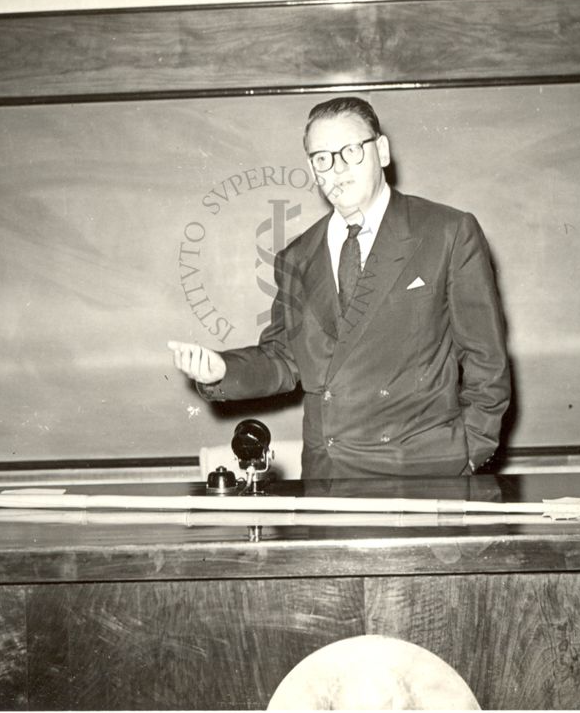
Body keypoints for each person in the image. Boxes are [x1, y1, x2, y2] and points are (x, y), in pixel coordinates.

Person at [169, 96, 510, 479]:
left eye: (350, 151)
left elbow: (487, 361)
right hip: (328, 475)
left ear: (381, 150)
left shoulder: (446, 232)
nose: (337, 170)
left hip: (423, 471)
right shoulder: (297, 256)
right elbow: (284, 357)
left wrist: (468, 453)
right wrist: (221, 371)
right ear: (311, 169)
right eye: (322, 158)